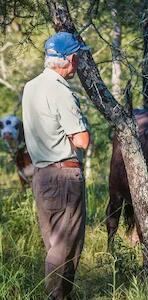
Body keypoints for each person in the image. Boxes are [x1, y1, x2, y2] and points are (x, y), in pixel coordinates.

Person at [22, 31, 90, 299]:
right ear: (70, 58)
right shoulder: (60, 89)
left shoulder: (31, 86)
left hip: (41, 176)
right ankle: (56, 296)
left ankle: (62, 295)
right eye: (78, 57)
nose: (78, 63)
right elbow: (82, 140)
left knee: (54, 243)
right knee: (65, 247)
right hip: (64, 175)